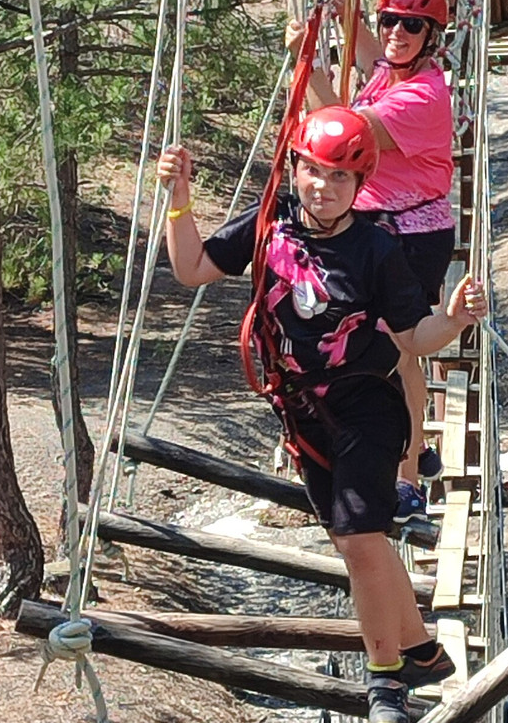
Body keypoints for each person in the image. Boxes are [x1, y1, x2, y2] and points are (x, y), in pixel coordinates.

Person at [158, 106, 484, 722]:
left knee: (362, 539)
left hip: (367, 407)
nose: (325, 188)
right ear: (296, 169)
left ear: (360, 187)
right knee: (353, 542)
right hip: (304, 415)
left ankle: (385, 680)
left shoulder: (375, 249)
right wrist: (179, 201)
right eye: (315, 172)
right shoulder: (266, 229)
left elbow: (414, 337)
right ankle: (419, 650)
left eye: (341, 178)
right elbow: (191, 268)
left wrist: (457, 319)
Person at [286, 0, 455, 522]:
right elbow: (370, 52)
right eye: (390, 21)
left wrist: (310, 69)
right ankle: (417, 448)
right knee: (390, 353)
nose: (396, 34)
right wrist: (349, 13)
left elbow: (340, 133)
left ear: (432, 37)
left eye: (412, 25)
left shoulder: (422, 96)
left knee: (395, 353)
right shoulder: (395, 69)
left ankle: (405, 475)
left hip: (410, 233)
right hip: (383, 226)